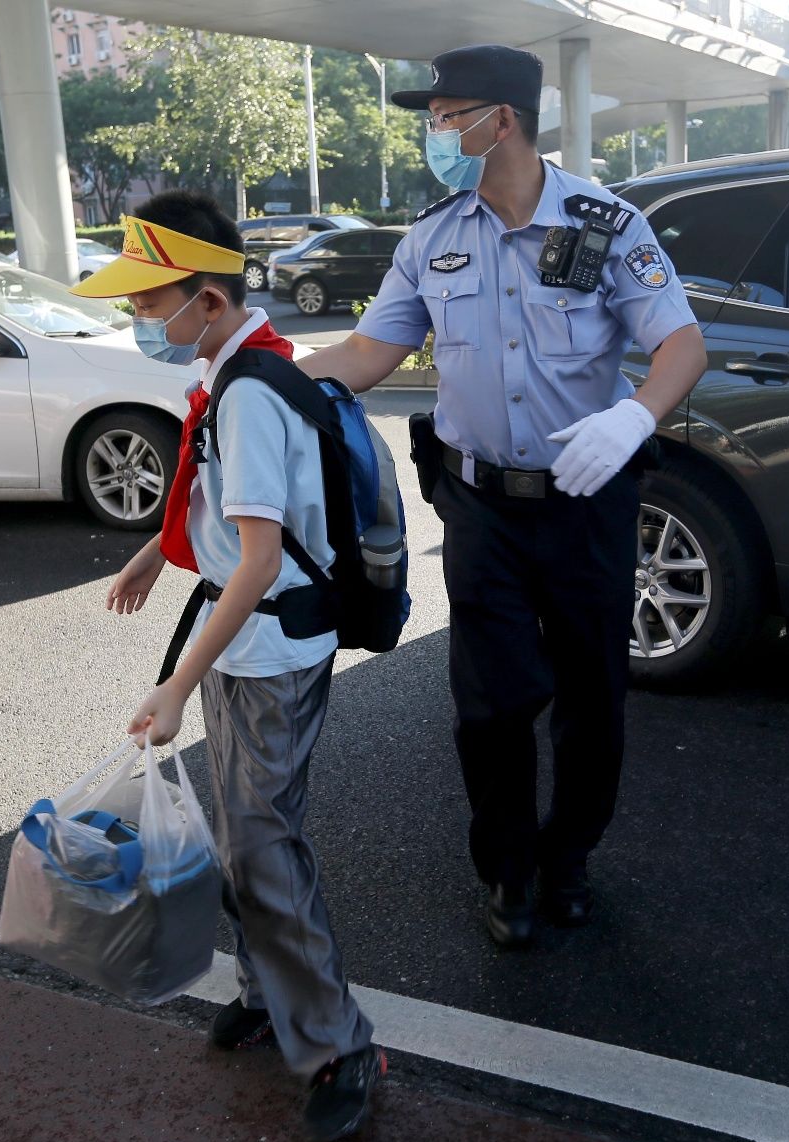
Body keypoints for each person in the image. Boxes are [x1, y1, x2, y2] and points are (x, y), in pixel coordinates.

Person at [298, 44, 707, 950]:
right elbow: (368, 357)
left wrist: (635, 418)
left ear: (502, 121)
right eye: (437, 118)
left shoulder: (604, 224)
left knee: (593, 699)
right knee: (489, 705)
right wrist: (260, 373)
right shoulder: (431, 240)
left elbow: (681, 345)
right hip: (480, 504)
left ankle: (571, 859)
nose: (436, 132)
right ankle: (511, 871)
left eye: (448, 116)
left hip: (585, 501)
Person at [80, 192, 384, 1142]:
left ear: (206, 301)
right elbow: (217, 513)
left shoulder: (249, 393)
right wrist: (146, 558)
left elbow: (257, 560)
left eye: (148, 303)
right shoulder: (240, 369)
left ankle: (339, 1045)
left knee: (260, 842)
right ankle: (266, 992)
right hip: (246, 643)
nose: (139, 322)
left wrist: (173, 688)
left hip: (270, 651)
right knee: (249, 825)